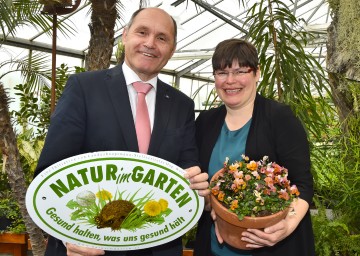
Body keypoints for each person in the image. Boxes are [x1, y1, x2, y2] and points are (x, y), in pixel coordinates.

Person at [34, 7, 209, 256]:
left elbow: (188, 166)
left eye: (162, 38)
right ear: (125, 35)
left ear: (171, 49)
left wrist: (196, 180)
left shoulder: (182, 105)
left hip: (156, 247)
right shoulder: (84, 89)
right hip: (89, 246)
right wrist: (67, 236)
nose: (150, 43)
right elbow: (49, 173)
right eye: (142, 32)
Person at [193, 39, 315, 256]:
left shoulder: (279, 118)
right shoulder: (205, 122)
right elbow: (199, 183)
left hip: (272, 245)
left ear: (257, 73)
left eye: (240, 71)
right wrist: (210, 206)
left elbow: (303, 184)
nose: (230, 81)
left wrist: (287, 225)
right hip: (214, 246)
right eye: (221, 73)